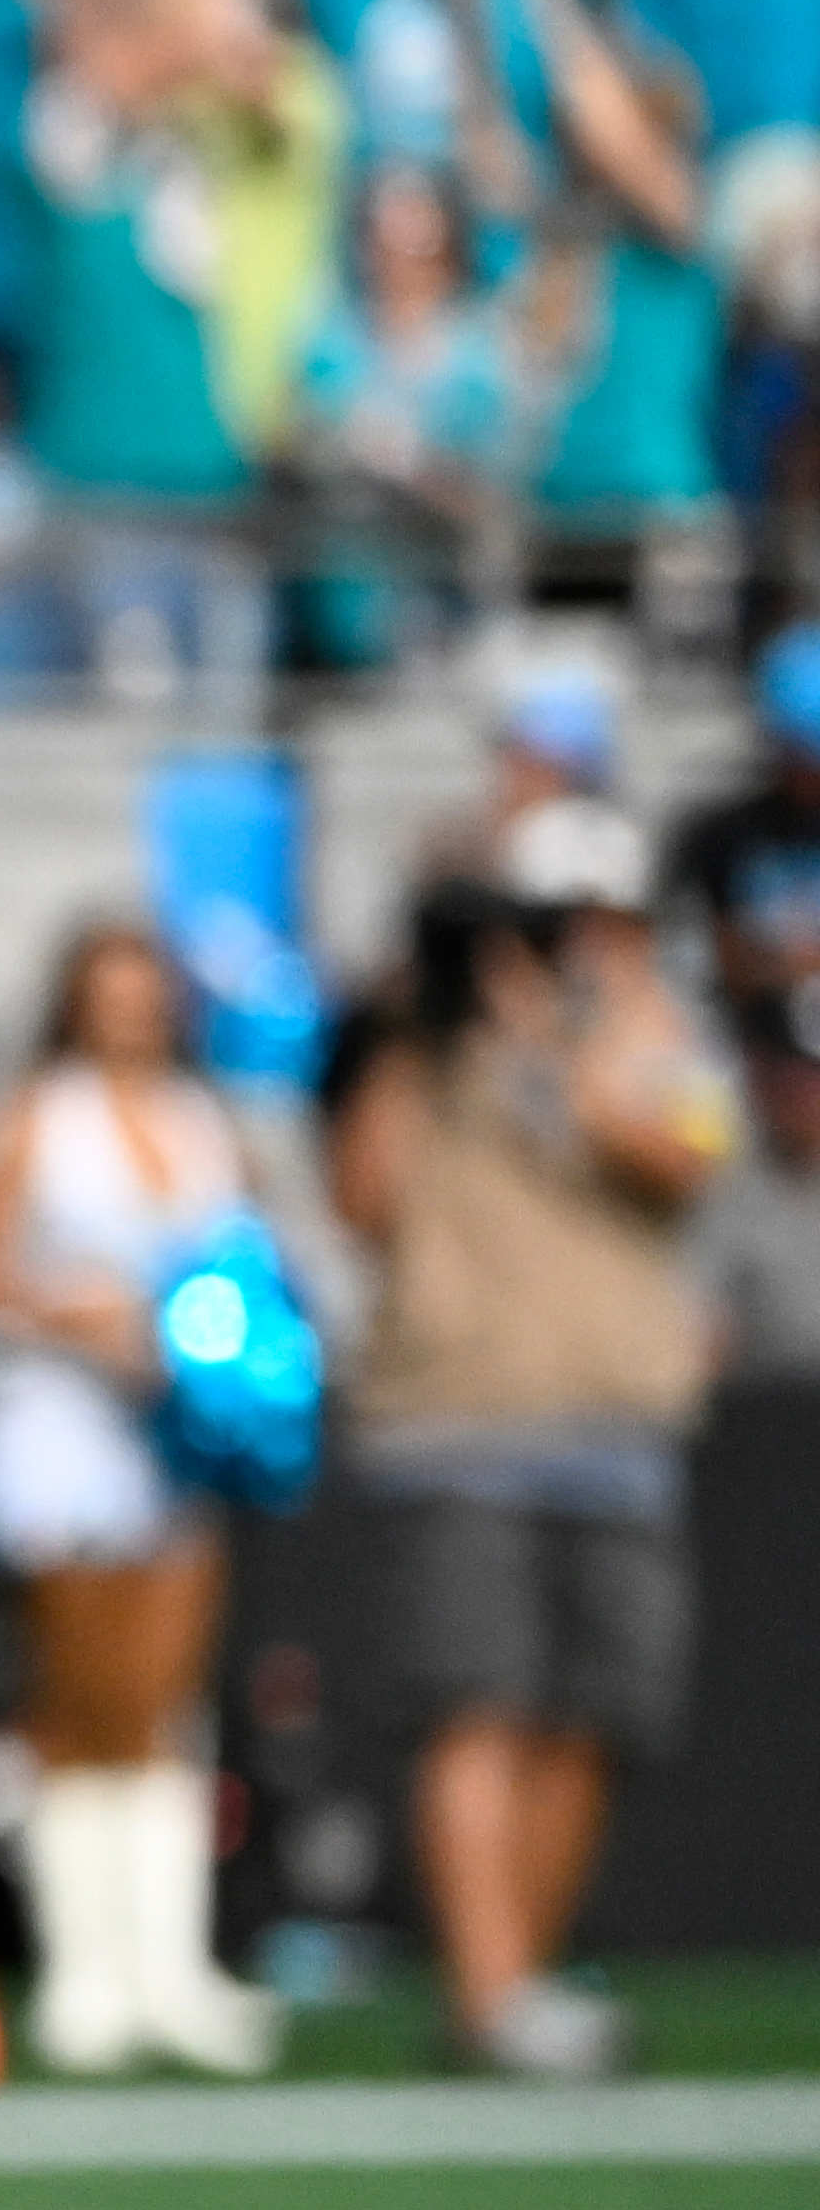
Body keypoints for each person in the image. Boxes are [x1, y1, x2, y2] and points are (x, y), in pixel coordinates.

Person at [321, 870, 723, 2079]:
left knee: (586, 1717)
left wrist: (559, 1041)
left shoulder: (653, 1036)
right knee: (475, 1699)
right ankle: (489, 1993)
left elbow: (686, 1158)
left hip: (613, 1423)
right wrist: (414, 1035)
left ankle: (522, 1984)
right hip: (457, 1419)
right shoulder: (418, 1053)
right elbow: (364, 1200)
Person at [0, 917, 283, 2076]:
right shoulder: (41, 1116)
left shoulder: (203, 1121)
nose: (131, 1014)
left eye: (148, 993)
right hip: (64, 1428)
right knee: (84, 1698)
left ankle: (169, 1969)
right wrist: (80, 1318)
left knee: (166, 1698)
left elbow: (245, 1265)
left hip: (181, 1430)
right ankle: (86, 1968)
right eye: (110, 993)